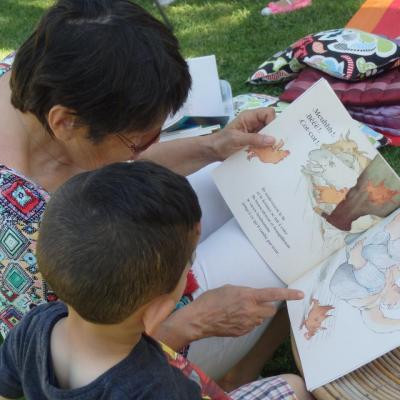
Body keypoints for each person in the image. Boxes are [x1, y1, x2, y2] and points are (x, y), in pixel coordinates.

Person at [0, 0, 301, 385]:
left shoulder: (27, 79)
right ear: (66, 122)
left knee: (241, 178)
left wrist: (212, 147)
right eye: (138, 141)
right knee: (276, 238)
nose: (145, 149)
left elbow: (123, 166)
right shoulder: (21, 234)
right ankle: (229, 373)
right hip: (130, 350)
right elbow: (72, 374)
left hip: (119, 251)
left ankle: (245, 360)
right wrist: (192, 323)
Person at [0, 161, 311, 400]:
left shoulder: (37, 324)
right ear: (157, 311)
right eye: (189, 264)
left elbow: (6, 382)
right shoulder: (157, 385)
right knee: (295, 387)